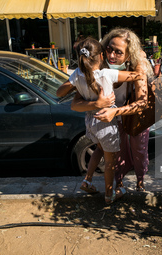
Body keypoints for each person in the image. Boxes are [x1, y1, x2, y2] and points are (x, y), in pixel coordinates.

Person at [56, 37, 145, 204]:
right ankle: (109, 195)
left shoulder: (77, 74)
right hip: (106, 122)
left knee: (99, 149)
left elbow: (59, 93)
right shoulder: (107, 74)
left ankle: (87, 180)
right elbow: (137, 76)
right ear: (102, 56)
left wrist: (73, 83)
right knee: (110, 162)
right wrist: (139, 57)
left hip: (90, 121)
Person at [72, 28, 154, 192]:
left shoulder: (137, 67)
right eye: (109, 49)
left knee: (139, 149)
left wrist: (115, 111)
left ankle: (140, 181)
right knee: (118, 151)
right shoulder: (96, 65)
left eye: (118, 52)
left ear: (129, 55)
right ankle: (119, 183)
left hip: (134, 116)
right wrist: (97, 105)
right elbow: (75, 103)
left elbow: (142, 103)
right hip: (112, 120)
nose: (111, 55)